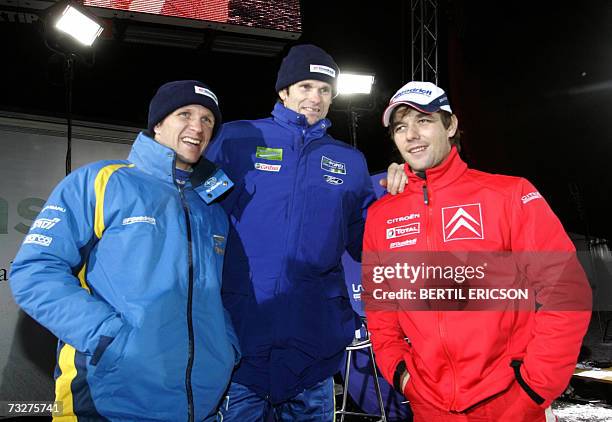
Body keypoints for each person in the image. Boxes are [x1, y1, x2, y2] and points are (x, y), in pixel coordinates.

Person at [10, 80, 240, 421]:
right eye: (185, 114)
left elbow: (209, 295)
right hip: (109, 393)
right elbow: (34, 272)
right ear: (158, 123)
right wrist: (107, 338)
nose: (198, 126)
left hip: (199, 401)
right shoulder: (102, 181)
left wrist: (226, 346)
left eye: (208, 119)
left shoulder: (212, 209)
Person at [363, 81, 591, 421]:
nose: (411, 135)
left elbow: (566, 291)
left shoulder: (509, 195)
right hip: (430, 405)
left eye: (423, 121)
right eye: (400, 127)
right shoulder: (383, 215)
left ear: (450, 125)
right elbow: (381, 311)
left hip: (510, 400)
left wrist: (534, 388)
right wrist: (402, 376)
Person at [206, 44, 376, 421]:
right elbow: (197, 213)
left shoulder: (350, 161)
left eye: (325, 90)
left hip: (312, 357)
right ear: (284, 91)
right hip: (240, 349)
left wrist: (406, 195)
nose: (315, 98)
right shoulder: (237, 139)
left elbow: (368, 243)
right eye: (305, 87)